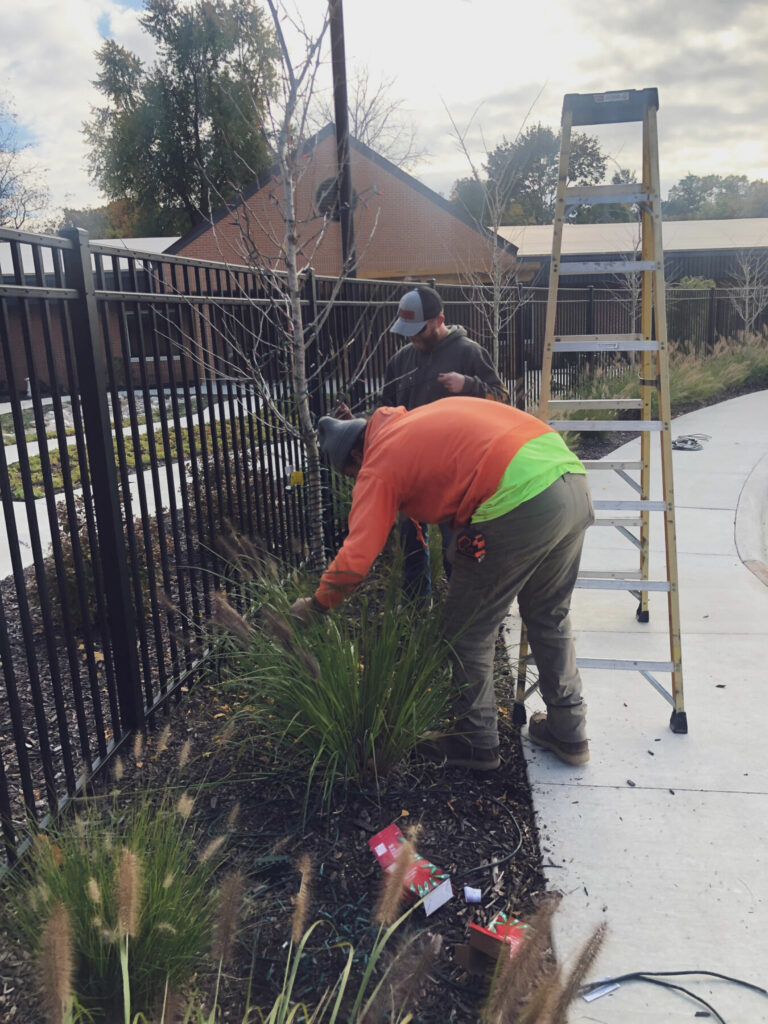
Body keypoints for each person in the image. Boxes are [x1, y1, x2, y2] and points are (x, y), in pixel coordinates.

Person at [291, 397, 594, 771]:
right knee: (549, 614)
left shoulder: (378, 463)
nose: (356, 481)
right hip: (569, 480)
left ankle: (476, 742)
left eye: (351, 476)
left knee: (465, 631)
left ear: (354, 459)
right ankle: (569, 731)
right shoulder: (413, 421)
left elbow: (356, 558)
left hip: (518, 499)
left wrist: (318, 604)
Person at [381, 285, 508, 602]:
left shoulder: (468, 353)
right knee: (410, 548)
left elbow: (503, 399)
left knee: (457, 550)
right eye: (406, 331)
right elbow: (386, 409)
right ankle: (416, 612)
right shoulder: (400, 361)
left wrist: (468, 384)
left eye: (418, 330)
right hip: (411, 475)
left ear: (439, 320)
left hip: (456, 477)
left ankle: (461, 614)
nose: (412, 338)